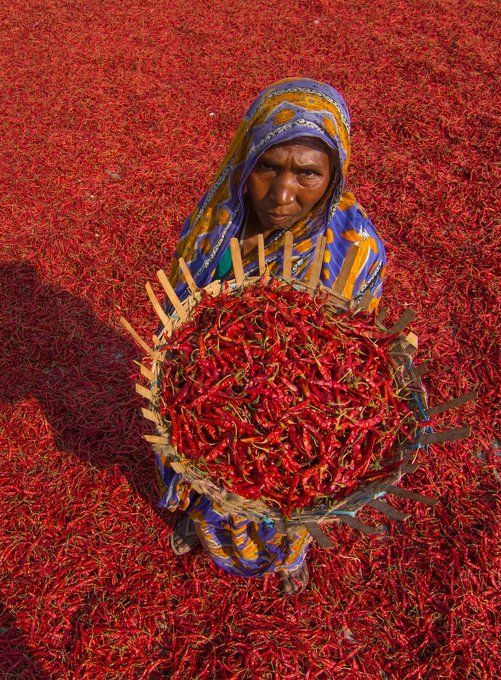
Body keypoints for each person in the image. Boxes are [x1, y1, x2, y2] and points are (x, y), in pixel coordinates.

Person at [160, 78, 388, 594]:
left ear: (334, 176)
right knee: (210, 460)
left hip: (301, 408)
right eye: (268, 166)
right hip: (214, 395)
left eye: (308, 172)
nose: (283, 195)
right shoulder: (220, 225)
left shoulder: (354, 248)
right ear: (247, 160)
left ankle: (288, 556)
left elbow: (354, 358)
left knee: (294, 478)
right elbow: (178, 309)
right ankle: (200, 522)